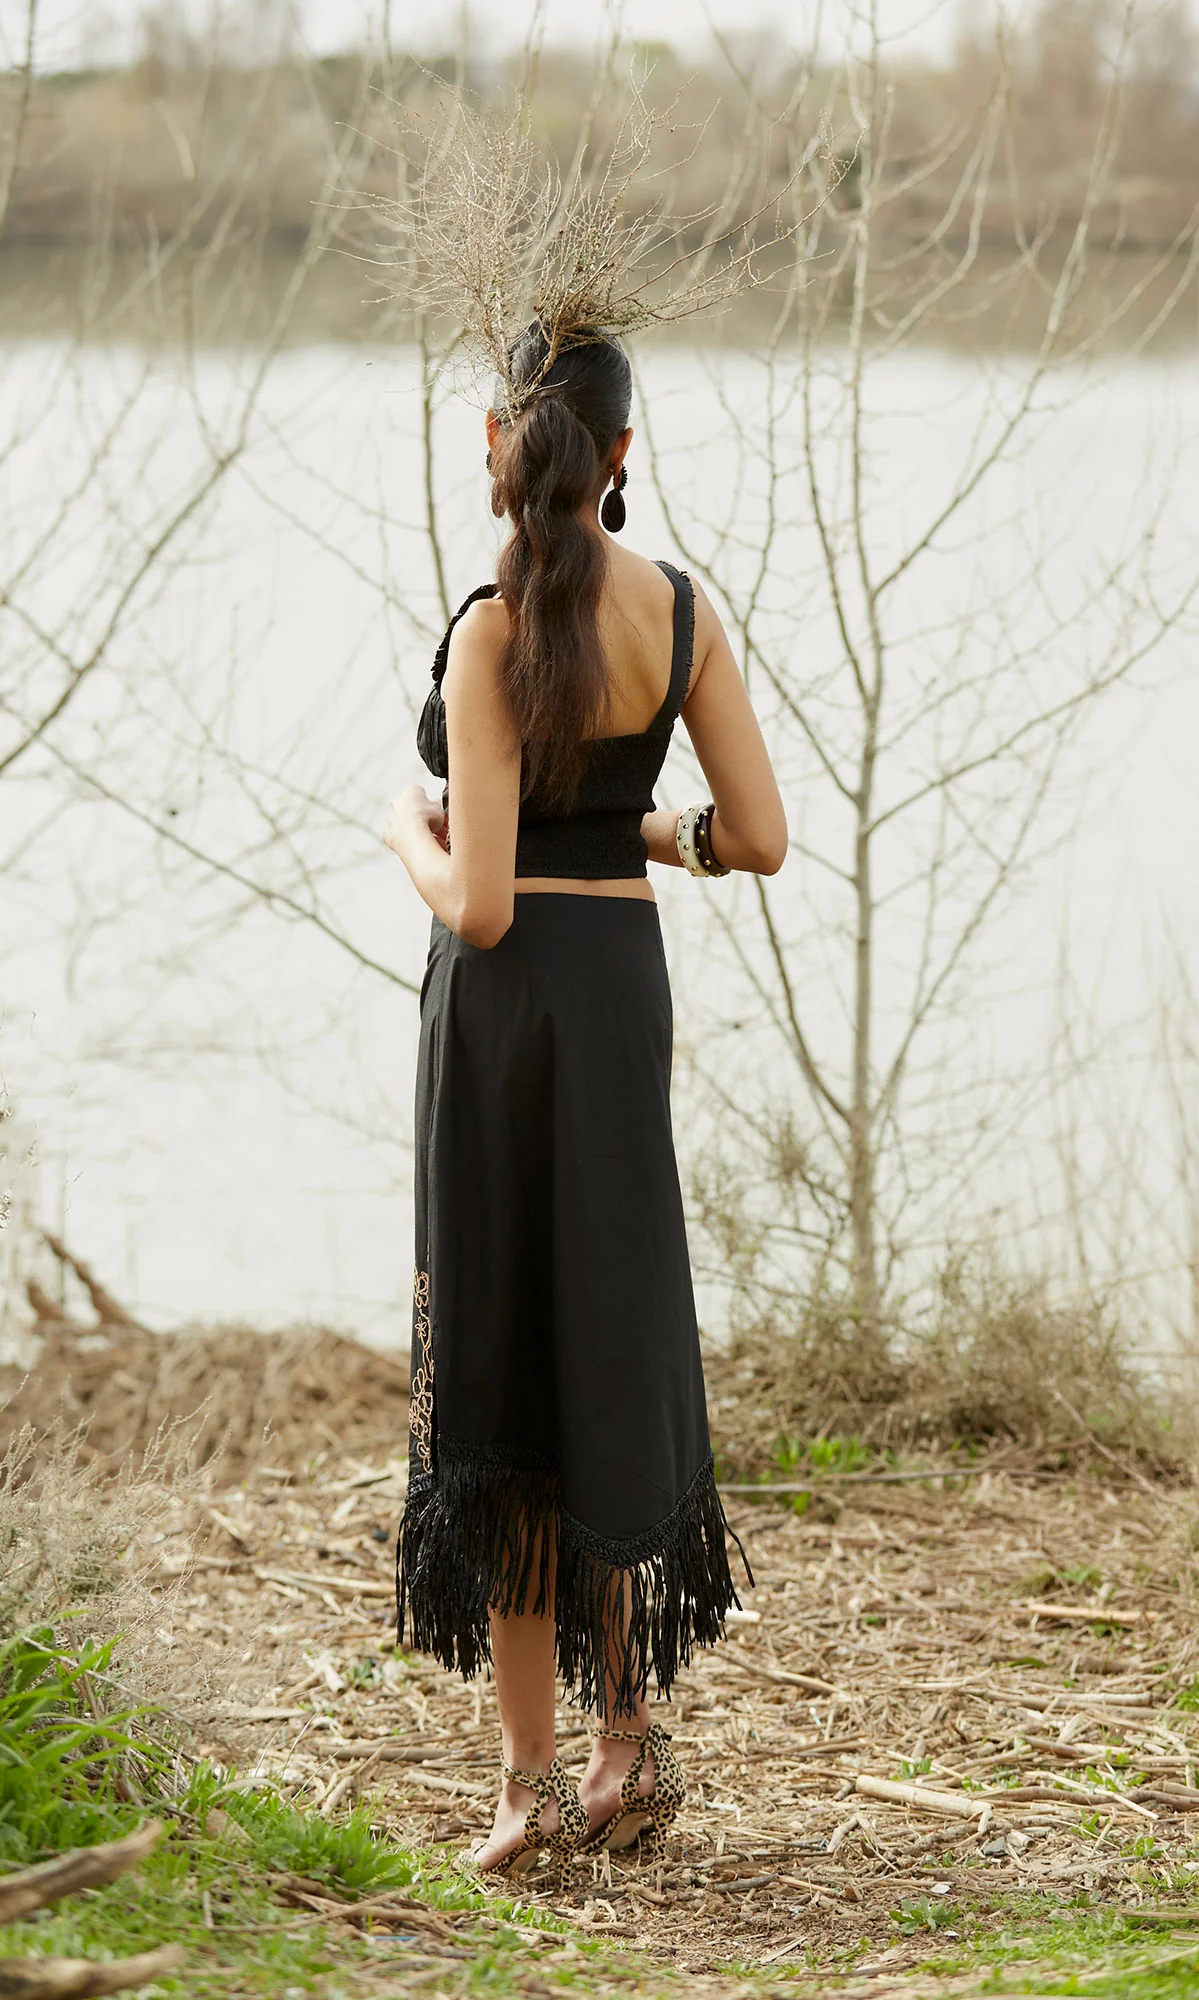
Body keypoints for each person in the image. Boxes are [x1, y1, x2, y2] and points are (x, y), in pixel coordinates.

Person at [384, 317, 787, 1880]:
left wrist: (404, 837)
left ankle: (530, 1786)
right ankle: (628, 1746)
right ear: (622, 454)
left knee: (500, 1358)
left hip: (504, 1022)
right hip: (618, 997)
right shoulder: (677, 611)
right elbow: (757, 837)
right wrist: (650, 837)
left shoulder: (494, 627)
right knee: (606, 1343)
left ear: (500, 443)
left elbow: (482, 905)